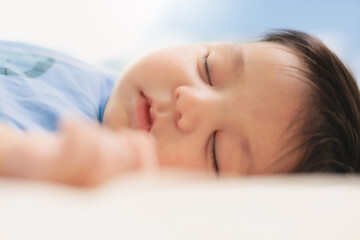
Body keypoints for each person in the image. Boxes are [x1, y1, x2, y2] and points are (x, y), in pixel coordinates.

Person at [0, 29, 359, 187]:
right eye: (208, 67)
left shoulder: (78, 160)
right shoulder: (90, 73)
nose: (190, 101)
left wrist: (27, 161)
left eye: (218, 152)